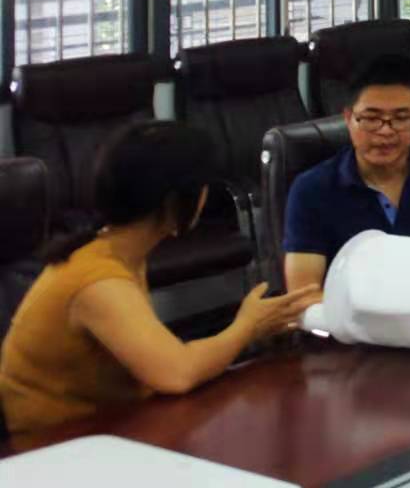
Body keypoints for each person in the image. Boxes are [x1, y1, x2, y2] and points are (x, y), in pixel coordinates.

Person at [0, 121, 320, 435]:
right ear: (175, 201)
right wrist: (247, 327)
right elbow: (177, 373)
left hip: (106, 426)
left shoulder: (115, 251)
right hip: (50, 445)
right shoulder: (97, 282)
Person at [283, 54, 410, 291]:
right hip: (350, 313)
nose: (385, 131)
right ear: (349, 118)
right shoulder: (311, 190)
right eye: (371, 118)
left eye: (401, 118)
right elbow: (303, 296)